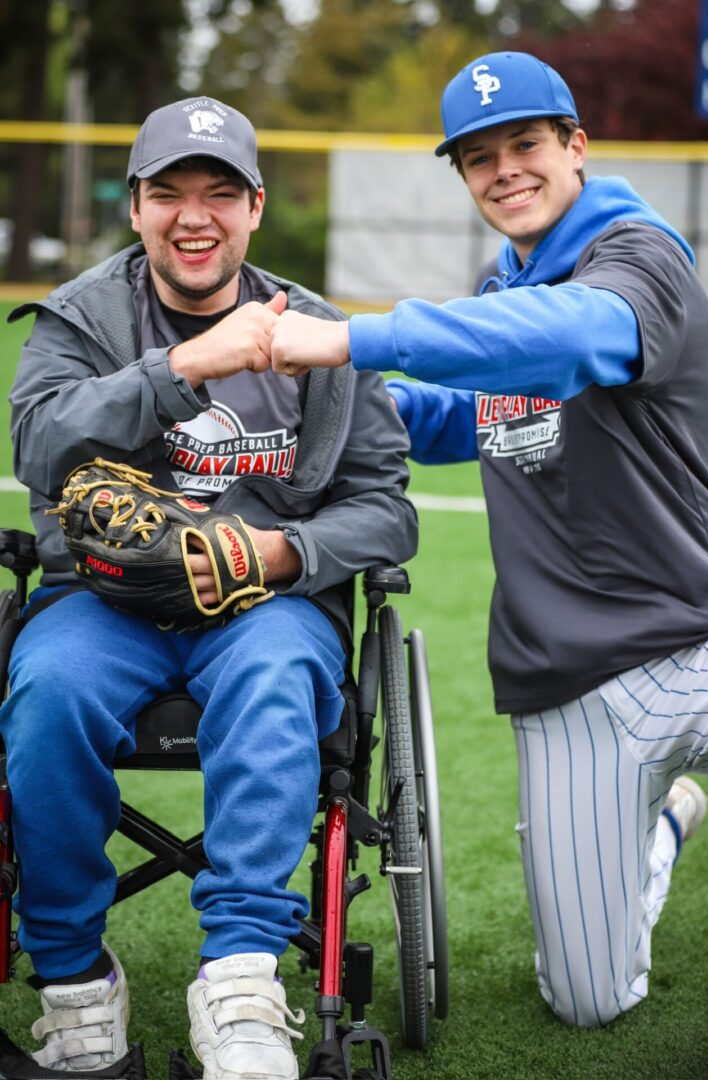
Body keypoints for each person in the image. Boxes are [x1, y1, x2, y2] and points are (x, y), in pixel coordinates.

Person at [270, 51, 708, 1028]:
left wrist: (351, 337)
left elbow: (570, 338)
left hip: (703, 643)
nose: (505, 169)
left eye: (526, 144)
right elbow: (441, 417)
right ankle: (656, 839)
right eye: (480, 157)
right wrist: (294, 401)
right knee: (589, 1001)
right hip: (571, 685)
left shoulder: (640, 256)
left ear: (576, 148)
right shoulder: (497, 294)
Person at [2, 96, 417, 1078]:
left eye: (219, 193)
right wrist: (185, 366)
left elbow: (386, 511)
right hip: (105, 606)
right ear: (137, 208)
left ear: (256, 208)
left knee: (276, 685)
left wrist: (283, 557)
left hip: (264, 608)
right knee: (48, 690)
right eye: (169, 193)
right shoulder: (81, 318)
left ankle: (238, 978)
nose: (195, 214)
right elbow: (38, 446)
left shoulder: (316, 334)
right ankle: (72, 979)